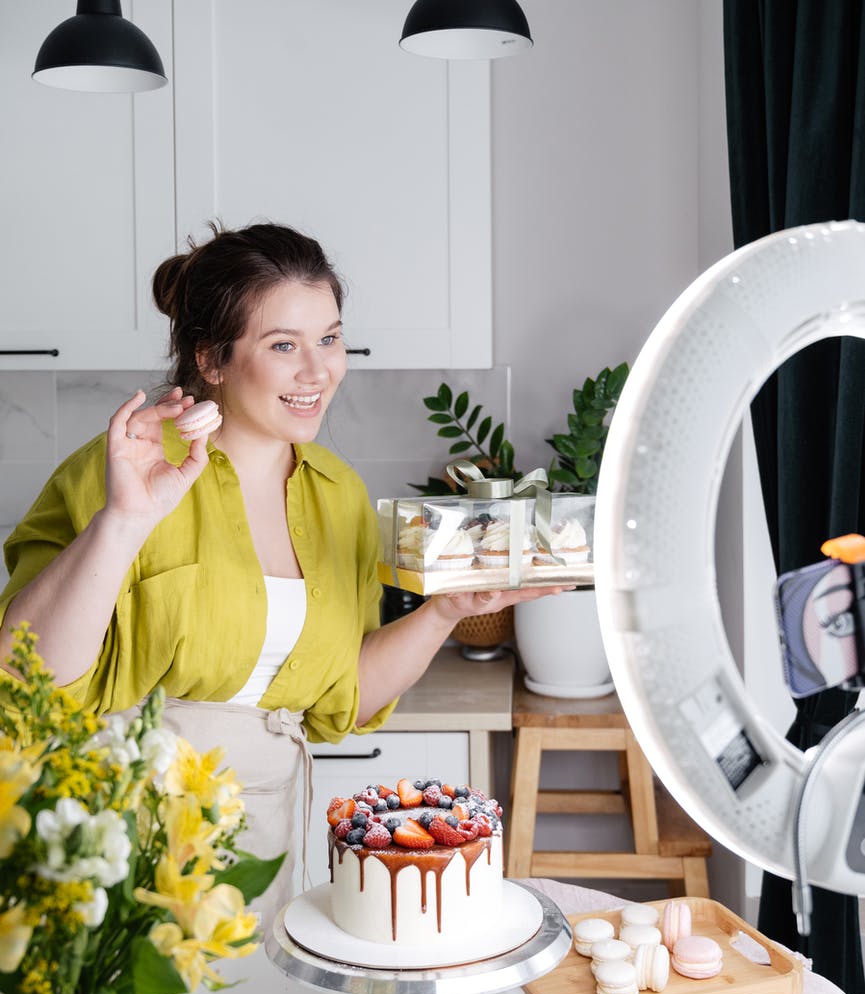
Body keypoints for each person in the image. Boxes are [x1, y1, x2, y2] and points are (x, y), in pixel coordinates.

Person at [0, 221, 567, 921]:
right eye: (282, 346)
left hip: (263, 839)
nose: (318, 370)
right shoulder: (128, 468)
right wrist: (124, 522)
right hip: (113, 833)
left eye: (329, 338)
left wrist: (446, 610)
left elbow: (343, 702)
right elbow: (23, 678)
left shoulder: (339, 494)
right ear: (211, 360)